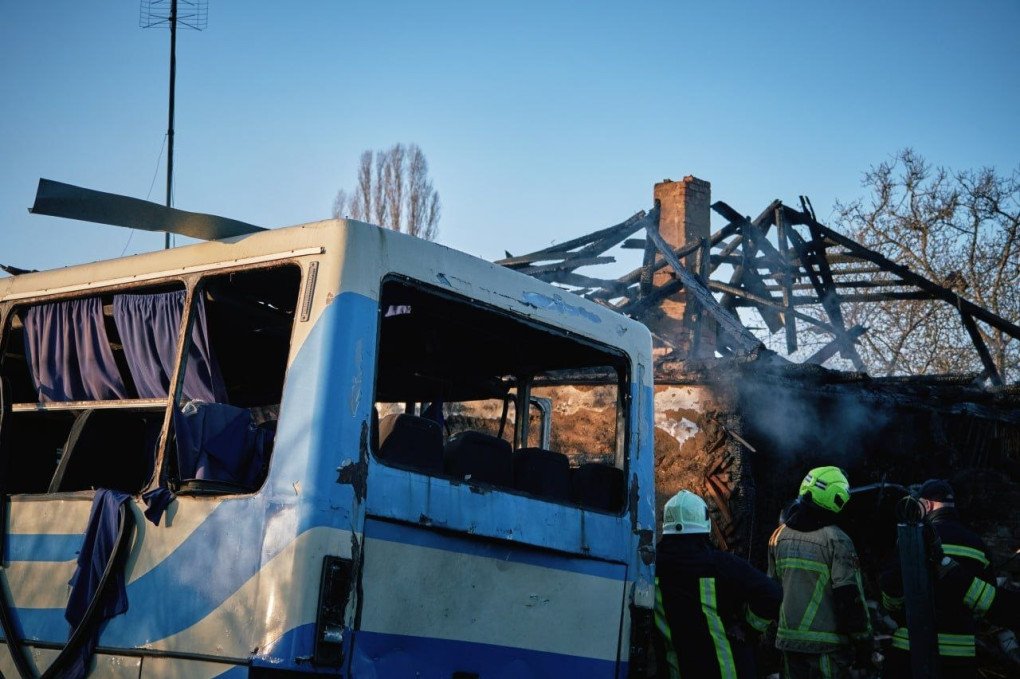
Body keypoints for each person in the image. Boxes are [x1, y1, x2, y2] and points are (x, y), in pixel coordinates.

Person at [654, 489, 781, 679]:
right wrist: (749, 628)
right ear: (704, 523)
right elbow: (773, 595)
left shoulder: (649, 568)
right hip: (729, 671)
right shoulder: (722, 565)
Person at [880, 479, 994, 678]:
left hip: (911, 648)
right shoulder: (978, 544)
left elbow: (891, 587)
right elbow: (989, 600)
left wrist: (894, 608)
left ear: (927, 505)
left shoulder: (912, 539)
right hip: (960, 654)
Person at [768, 466, 872, 679]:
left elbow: (770, 588)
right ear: (837, 498)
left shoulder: (778, 536)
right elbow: (849, 596)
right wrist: (863, 642)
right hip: (826, 646)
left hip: (788, 640)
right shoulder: (836, 539)